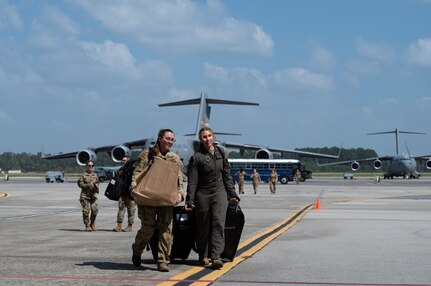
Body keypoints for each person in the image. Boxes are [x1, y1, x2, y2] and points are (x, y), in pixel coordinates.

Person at [185, 127, 240, 270]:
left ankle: (216, 257)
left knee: (218, 224)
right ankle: (203, 255)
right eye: (204, 137)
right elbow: (192, 181)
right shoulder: (197, 157)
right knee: (203, 227)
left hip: (219, 192)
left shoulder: (221, 152)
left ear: (213, 136)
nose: (207, 139)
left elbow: (227, 175)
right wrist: (189, 200)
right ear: (201, 139)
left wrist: (232, 193)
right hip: (202, 194)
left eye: (209, 136)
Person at [130, 129, 183, 272]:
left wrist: (180, 193)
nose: (169, 142)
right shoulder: (147, 154)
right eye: (167, 138)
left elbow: (179, 179)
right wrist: (133, 187)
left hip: (165, 199)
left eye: (172, 139)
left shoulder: (175, 158)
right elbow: (137, 173)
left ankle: (163, 260)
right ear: (159, 139)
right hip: (148, 197)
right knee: (148, 228)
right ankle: (137, 249)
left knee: (166, 230)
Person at [113, 156, 137, 232]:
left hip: (130, 195)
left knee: (131, 211)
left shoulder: (133, 170)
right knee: (121, 210)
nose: (123, 162)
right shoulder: (120, 170)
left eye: (125, 161)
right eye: (122, 161)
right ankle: (119, 225)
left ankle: (130, 226)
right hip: (122, 194)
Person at [77, 160, 99, 232]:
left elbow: (98, 182)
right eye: (89, 165)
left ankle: (92, 223)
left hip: (93, 196)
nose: (91, 167)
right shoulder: (83, 175)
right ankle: (87, 225)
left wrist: (96, 186)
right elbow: (80, 184)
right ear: (86, 166)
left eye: (92, 166)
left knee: (94, 210)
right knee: (86, 211)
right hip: (85, 196)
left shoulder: (95, 175)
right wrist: (87, 185)